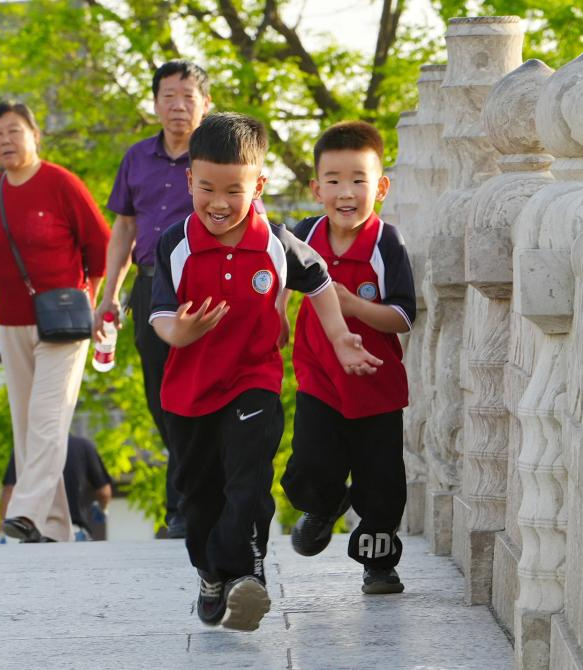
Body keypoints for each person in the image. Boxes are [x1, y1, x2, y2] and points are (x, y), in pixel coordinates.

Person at [149, 112, 383, 631]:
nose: (218, 203)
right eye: (206, 187)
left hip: (253, 380)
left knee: (249, 480)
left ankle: (248, 578)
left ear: (260, 184)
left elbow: (318, 279)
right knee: (199, 496)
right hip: (188, 394)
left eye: (234, 190)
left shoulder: (275, 242)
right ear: (189, 180)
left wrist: (342, 337)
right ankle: (212, 575)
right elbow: (161, 313)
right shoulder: (176, 243)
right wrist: (179, 334)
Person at [282, 121, 414, 595]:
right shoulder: (304, 234)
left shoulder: (386, 244)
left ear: (380, 187)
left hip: (377, 387)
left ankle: (378, 566)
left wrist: (353, 305)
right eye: (334, 180)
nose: (346, 192)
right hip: (320, 378)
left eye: (359, 180)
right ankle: (323, 507)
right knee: (311, 465)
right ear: (316, 188)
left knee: (382, 485)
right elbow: (277, 276)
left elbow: (403, 317)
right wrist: (277, 314)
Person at [0, 101, 111, 543]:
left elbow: (103, 245)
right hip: (11, 322)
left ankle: (25, 510)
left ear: (36, 136)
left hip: (65, 321)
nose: (5, 141)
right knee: (25, 423)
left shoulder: (61, 183)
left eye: (14, 131)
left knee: (47, 416)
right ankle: (54, 529)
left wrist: (92, 300)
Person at [95, 60, 211, 539]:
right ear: (156, 102)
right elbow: (123, 229)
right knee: (160, 398)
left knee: (197, 394)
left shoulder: (217, 155)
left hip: (199, 285)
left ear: (206, 104)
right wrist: (109, 298)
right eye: (168, 96)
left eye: (187, 96)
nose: (178, 106)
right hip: (147, 286)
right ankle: (193, 493)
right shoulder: (136, 157)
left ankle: (184, 508)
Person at [0, 434, 113, 541]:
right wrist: (102, 509)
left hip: (34, 532)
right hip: (73, 532)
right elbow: (104, 492)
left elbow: (9, 490)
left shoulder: (26, 447)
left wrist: (1, 532)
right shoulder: (84, 446)